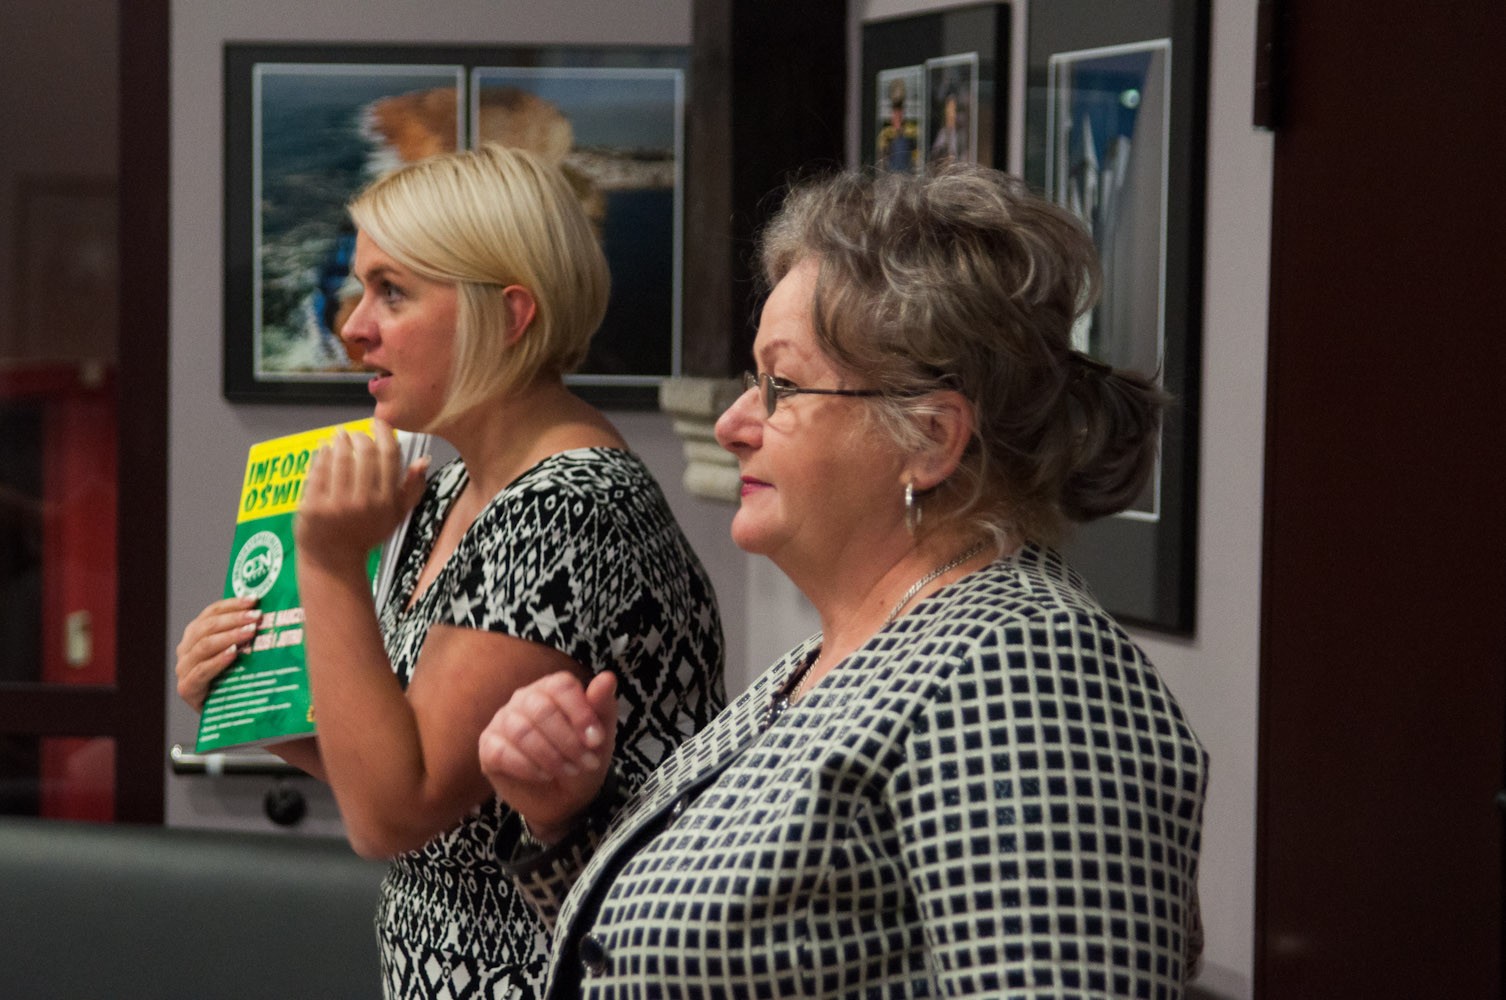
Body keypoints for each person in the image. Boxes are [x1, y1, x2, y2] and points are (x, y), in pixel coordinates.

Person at [477, 162, 1209, 999]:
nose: (733, 424)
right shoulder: (845, 654)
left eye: (781, 386)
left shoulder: (1025, 670)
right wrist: (565, 816)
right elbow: (684, 962)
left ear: (929, 438)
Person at [174, 144, 725, 999]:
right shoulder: (454, 487)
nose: (353, 327)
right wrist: (257, 701)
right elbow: (408, 771)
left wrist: (328, 564)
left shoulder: (565, 510)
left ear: (508, 316)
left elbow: (395, 813)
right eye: (360, 289)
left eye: (392, 292)